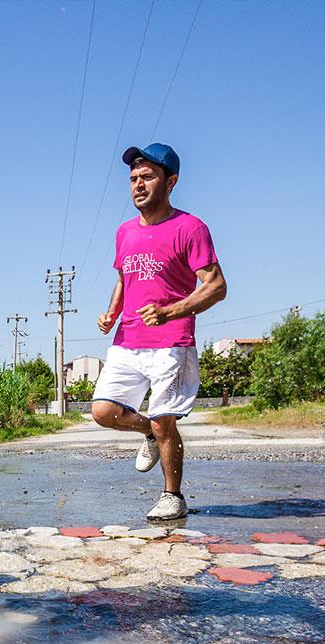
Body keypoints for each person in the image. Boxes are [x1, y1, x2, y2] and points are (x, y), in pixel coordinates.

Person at [90, 143, 227, 521]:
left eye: (147, 176)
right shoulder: (124, 232)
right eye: (133, 178)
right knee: (102, 411)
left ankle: (173, 496)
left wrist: (172, 311)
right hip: (127, 339)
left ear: (171, 182)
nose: (137, 184)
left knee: (164, 417)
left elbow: (216, 286)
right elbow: (124, 278)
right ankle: (146, 433)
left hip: (172, 341)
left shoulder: (190, 227)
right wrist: (112, 311)